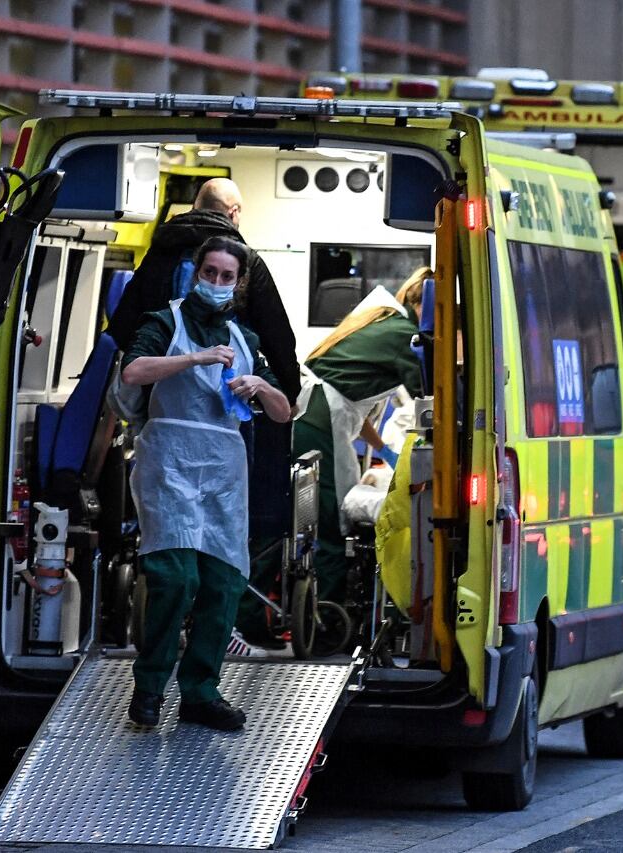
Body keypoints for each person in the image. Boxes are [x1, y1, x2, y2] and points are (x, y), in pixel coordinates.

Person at [123, 236, 291, 731]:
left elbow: (282, 412)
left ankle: (199, 692)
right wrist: (194, 359)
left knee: (225, 582)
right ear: (195, 272)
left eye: (227, 276)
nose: (216, 282)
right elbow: (135, 371)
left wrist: (260, 385)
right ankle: (149, 687)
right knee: (177, 578)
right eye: (210, 272)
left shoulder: (245, 341)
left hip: (221, 471)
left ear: (239, 285)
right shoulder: (164, 323)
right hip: (170, 463)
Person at [288, 268, 429, 608]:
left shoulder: (381, 321)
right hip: (323, 419)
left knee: (314, 513)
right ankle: (328, 610)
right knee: (333, 516)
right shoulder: (405, 335)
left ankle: (317, 606)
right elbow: (427, 395)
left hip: (313, 415)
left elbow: (358, 406)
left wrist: (383, 450)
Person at [107, 177, 301, 406]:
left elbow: (123, 324)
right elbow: (276, 335)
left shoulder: (160, 253)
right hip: (225, 391)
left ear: (194, 208)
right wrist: (289, 392)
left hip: (159, 388)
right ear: (234, 212)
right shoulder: (245, 261)